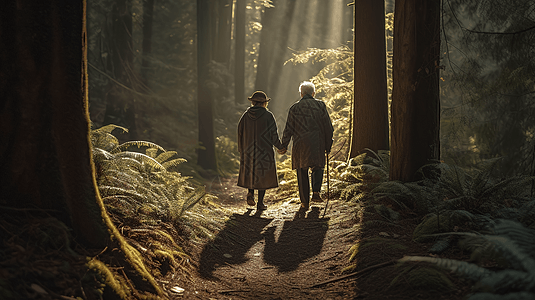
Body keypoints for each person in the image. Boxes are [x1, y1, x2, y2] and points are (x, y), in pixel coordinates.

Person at [279, 81, 333, 211]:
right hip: (317, 143)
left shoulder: (294, 108)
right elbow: (328, 127)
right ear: (313, 93)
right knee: (318, 166)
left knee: (302, 171)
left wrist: (284, 145)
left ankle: (304, 202)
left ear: (301, 94)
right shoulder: (320, 106)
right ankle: (316, 192)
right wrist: (328, 145)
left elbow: (288, 129)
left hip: (300, 145)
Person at [237, 91, 285, 211]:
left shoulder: (245, 115)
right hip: (264, 151)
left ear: (253, 102)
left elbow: (240, 132)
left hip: (248, 150)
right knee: (262, 175)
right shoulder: (268, 116)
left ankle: (250, 194)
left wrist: (241, 149)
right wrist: (280, 147)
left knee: (250, 172)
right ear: (264, 103)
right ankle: (260, 203)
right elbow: (273, 134)